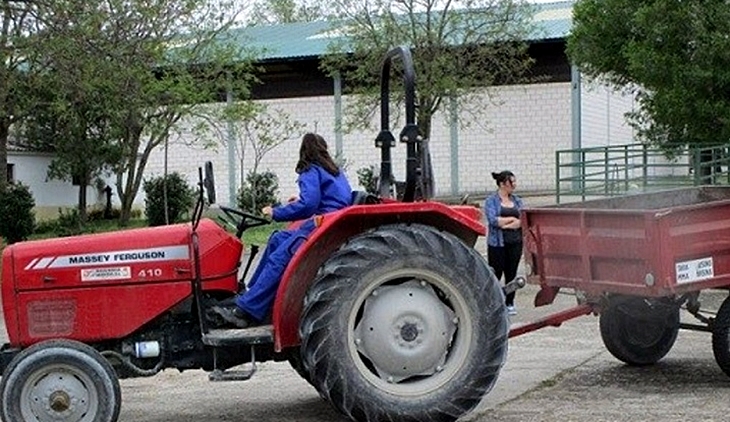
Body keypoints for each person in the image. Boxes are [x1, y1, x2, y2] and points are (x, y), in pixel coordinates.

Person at [212, 133, 353, 328]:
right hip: (328, 223)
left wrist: (276, 212)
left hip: (320, 225)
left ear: (304, 151)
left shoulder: (311, 169)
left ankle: (246, 311)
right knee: (278, 238)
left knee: (280, 258)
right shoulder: (335, 172)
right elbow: (329, 199)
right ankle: (253, 295)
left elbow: (309, 205)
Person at [484, 170, 524, 316]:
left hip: (515, 242)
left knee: (511, 273)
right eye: (511, 182)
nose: (514, 185)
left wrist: (508, 223)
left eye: (514, 181)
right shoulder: (491, 201)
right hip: (497, 244)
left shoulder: (518, 200)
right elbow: (493, 220)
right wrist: (512, 221)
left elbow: (523, 220)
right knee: (496, 273)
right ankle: (493, 302)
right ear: (502, 184)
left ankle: (510, 302)